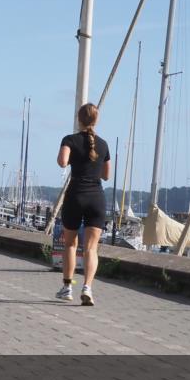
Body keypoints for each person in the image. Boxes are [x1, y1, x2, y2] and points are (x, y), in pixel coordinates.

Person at [55, 103, 111, 306]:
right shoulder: (103, 145)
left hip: (75, 195)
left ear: (79, 119)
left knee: (70, 244)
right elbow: (106, 175)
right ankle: (87, 287)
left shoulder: (69, 140)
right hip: (96, 198)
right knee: (91, 248)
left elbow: (62, 162)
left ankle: (67, 287)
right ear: (96, 120)